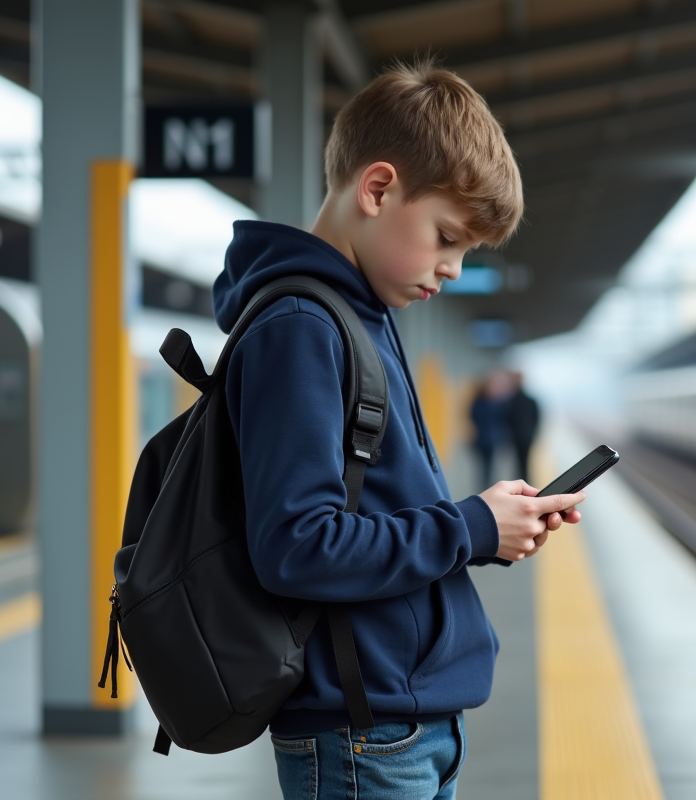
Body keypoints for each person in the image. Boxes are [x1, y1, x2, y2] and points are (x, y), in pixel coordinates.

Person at [212, 62, 585, 800]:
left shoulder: (362, 317)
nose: (453, 269)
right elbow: (298, 547)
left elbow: (374, 508)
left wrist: (490, 526)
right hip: (362, 735)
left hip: (400, 720)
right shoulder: (302, 328)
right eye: (446, 237)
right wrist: (468, 528)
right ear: (378, 189)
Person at [469, 370, 511, 488]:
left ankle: (489, 487)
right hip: (483, 439)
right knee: (484, 467)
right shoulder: (484, 402)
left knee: (491, 467)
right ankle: (486, 488)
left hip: (491, 439)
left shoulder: (495, 402)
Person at [506, 372, 540, 482]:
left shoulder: (511, 401)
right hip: (527, 436)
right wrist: (533, 434)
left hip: (515, 436)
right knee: (525, 462)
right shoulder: (531, 401)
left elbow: (507, 419)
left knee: (517, 462)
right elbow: (536, 419)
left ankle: (519, 482)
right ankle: (525, 482)